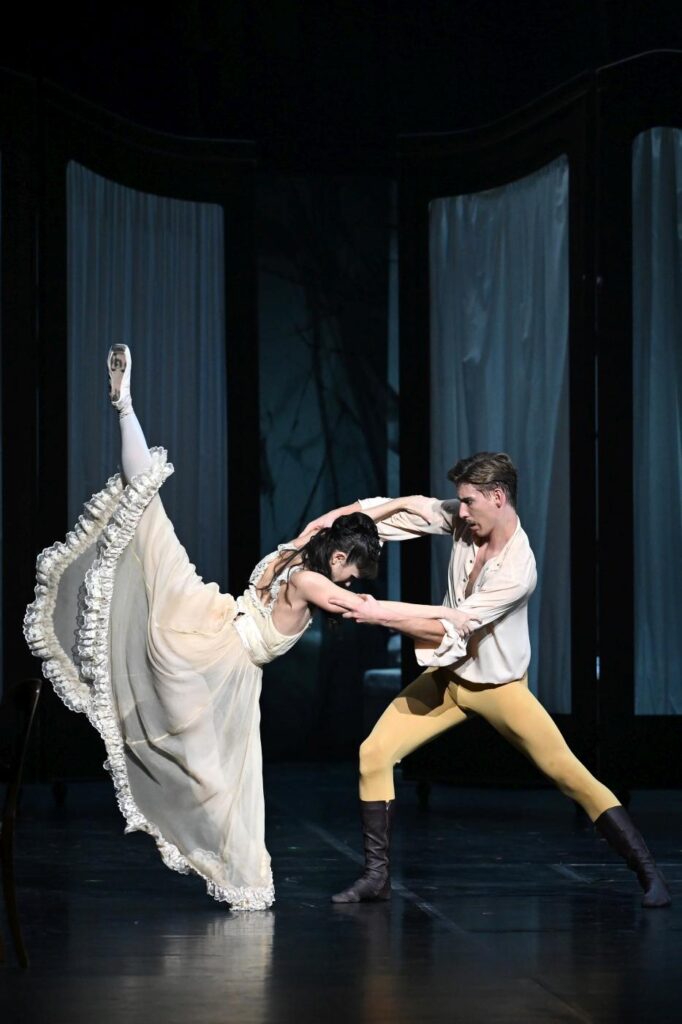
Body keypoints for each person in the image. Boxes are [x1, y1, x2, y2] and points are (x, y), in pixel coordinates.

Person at [23, 345, 478, 910]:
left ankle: (126, 409)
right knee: (220, 782)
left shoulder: (304, 543)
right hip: (223, 662)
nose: (356, 584)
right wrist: (450, 617)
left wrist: (440, 511)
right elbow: (371, 610)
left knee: (152, 522)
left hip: (208, 613)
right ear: (339, 563)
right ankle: (238, 874)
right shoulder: (313, 582)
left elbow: (368, 511)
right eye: (356, 572)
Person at [321, 452, 671, 909]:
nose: (460, 510)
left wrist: (376, 611)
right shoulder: (467, 523)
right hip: (448, 679)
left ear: (498, 497)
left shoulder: (518, 570)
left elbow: (448, 625)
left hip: (498, 689)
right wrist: (335, 524)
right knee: (374, 752)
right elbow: (409, 509)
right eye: (460, 502)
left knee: (570, 774)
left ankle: (650, 875)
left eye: (468, 501)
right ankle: (376, 877)